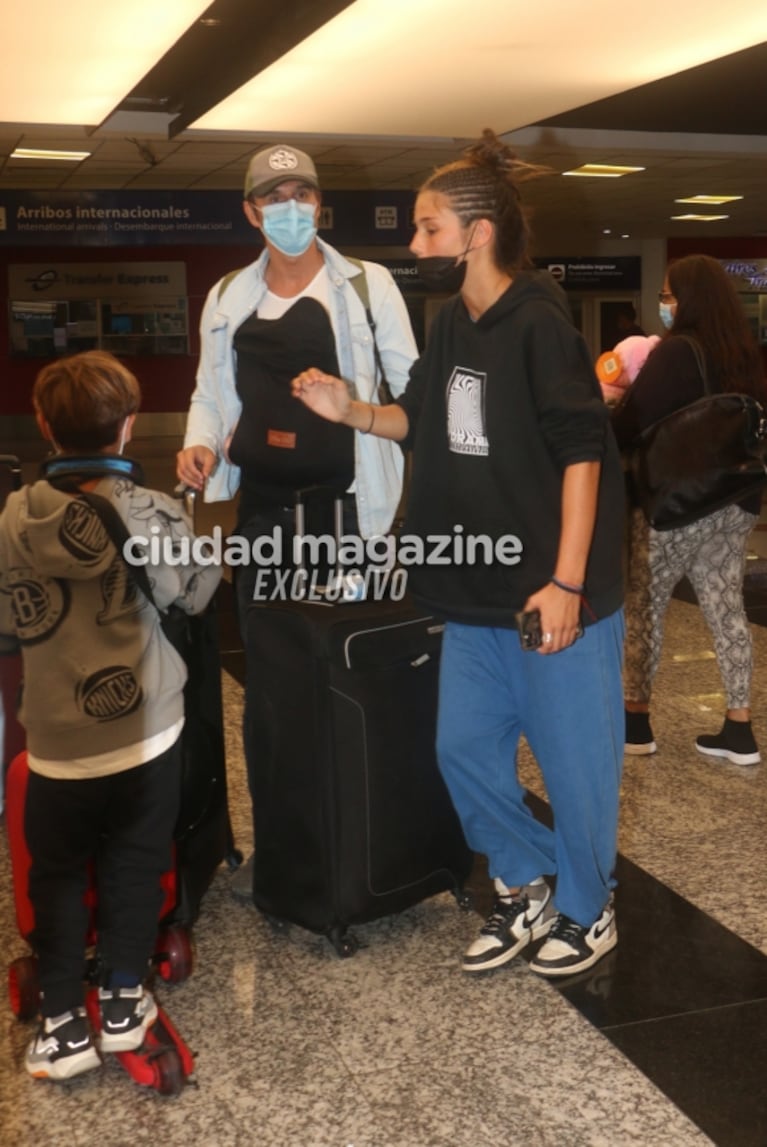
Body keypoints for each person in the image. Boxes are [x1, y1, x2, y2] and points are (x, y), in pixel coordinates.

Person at [291, 129, 626, 978]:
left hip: (549, 596)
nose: (415, 245)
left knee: (576, 768)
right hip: (475, 595)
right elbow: (419, 420)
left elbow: (583, 454)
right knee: (461, 752)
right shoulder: (451, 326)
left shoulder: (538, 323)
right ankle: (523, 880)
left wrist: (566, 582)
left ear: (477, 234)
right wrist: (349, 410)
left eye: (428, 228)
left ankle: (588, 906)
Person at [176, 143, 418, 897]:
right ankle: (287, 849)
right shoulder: (227, 296)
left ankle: (359, 844)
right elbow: (213, 394)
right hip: (267, 517)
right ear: (251, 212)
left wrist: (353, 408)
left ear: (320, 205)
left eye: (303, 194)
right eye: (274, 197)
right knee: (274, 687)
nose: (290, 208)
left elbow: (414, 403)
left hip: (351, 514)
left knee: (346, 677)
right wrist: (198, 443)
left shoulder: (369, 288)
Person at [0, 350, 221, 1081]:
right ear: (128, 427)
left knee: (57, 874)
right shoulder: (149, 510)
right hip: (145, 733)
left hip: (58, 739)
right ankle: (126, 1003)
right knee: (134, 861)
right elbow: (191, 594)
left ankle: (64, 1023)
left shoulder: (12, 519)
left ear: (43, 425)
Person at [612, 254, 766, 765]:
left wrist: (611, 402)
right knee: (726, 608)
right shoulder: (743, 353)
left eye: (668, 294)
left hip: (676, 501)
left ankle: (636, 723)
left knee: (644, 605)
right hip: (733, 498)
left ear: (688, 299)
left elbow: (633, 423)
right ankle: (739, 729)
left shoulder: (676, 352)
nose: (664, 303)